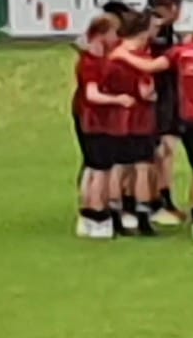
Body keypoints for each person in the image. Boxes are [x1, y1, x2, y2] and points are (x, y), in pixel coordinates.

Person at [73, 15, 133, 239]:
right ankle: (98, 216)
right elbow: (92, 94)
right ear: (102, 34)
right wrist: (119, 99)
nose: (116, 38)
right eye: (113, 33)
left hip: (94, 121)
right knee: (101, 172)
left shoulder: (96, 58)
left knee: (94, 169)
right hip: (96, 122)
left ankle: (88, 216)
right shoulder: (91, 63)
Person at [102, 11, 161, 236]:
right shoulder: (141, 58)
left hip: (116, 120)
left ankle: (115, 218)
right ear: (144, 30)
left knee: (118, 169)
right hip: (140, 119)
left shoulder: (112, 54)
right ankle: (143, 219)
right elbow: (147, 92)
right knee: (142, 168)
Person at [146, 0, 185, 226]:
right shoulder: (153, 33)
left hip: (169, 98)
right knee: (157, 153)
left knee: (166, 150)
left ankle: (164, 200)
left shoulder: (171, 33)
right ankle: (154, 202)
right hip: (156, 100)